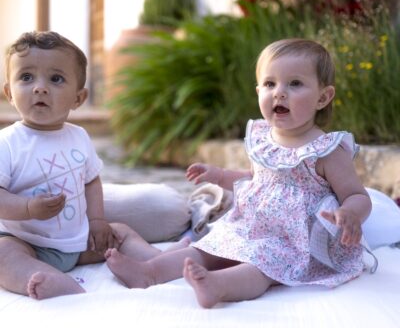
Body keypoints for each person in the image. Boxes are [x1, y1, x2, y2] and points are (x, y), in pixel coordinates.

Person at [105, 38, 372, 308]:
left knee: (260, 265)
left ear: (323, 97)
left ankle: (218, 287)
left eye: (294, 84)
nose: (279, 93)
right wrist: (219, 175)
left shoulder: (325, 150)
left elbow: (357, 195)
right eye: (270, 84)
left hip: (293, 243)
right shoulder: (263, 140)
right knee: (209, 247)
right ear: (258, 91)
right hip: (251, 226)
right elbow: (256, 180)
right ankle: (149, 272)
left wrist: (350, 213)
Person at [0, 31, 188, 300]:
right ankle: (45, 280)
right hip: (28, 241)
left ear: (78, 98)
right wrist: (27, 208)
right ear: (9, 92)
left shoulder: (79, 136)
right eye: (26, 77)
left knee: (119, 233)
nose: (40, 88)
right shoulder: (8, 142)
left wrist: (97, 222)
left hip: (77, 241)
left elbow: (91, 181)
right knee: (4, 254)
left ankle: (157, 260)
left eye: (56, 79)